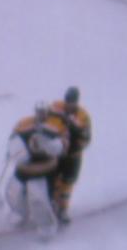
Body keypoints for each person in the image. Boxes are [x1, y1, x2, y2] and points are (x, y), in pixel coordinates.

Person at [6, 101, 69, 234]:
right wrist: (15, 150)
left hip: (43, 170)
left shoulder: (55, 127)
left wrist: (52, 146)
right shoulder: (24, 123)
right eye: (39, 112)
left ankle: (46, 225)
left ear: (47, 113)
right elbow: (13, 138)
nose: (41, 115)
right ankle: (20, 212)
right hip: (24, 168)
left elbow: (62, 146)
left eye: (43, 112)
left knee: (38, 199)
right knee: (13, 192)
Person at [49, 87, 92, 224]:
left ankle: (63, 209)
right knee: (53, 180)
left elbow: (86, 138)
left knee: (67, 183)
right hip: (57, 153)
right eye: (67, 101)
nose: (69, 104)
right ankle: (52, 204)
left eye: (72, 102)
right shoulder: (55, 107)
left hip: (72, 156)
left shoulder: (83, 116)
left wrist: (74, 145)